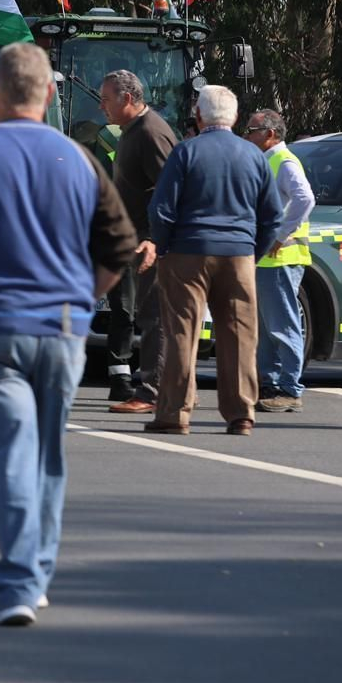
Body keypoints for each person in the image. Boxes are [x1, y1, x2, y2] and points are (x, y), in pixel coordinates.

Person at [0, 43, 136, 625]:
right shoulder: (78, 158)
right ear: (53, 93)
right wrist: (82, 299)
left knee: (4, 461)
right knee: (42, 461)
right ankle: (33, 569)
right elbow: (119, 249)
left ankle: (18, 583)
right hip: (60, 330)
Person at [145, 86, 282, 436]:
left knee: (182, 333)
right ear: (235, 118)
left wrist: (162, 247)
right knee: (239, 335)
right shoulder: (253, 156)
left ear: (199, 115)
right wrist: (253, 251)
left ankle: (175, 414)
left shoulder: (186, 152)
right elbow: (273, 216)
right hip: (238, 254)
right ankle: (241, 414)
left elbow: (161, 209)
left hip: (187, 252)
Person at [100, 71, 179, 413]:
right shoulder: (131, 132)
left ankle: (152, 391)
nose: (101, 106)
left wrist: (152, 238)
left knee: (154, 316)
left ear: (127, 99)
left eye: (106, 99)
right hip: (135, 242)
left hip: (153, 247)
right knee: (146, 314)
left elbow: (172, 190)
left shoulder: (150, 132)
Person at [243, 109, 315, 412]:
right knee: (267, 327)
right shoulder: (266, 160)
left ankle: (289, 388)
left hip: (281, 258)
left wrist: (279, 235)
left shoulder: (283, 161)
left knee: (283, 325)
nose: (246, 135)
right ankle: (271, 385)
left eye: (251, 130)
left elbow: (305, 199)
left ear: (270, 134)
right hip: (266, 259)